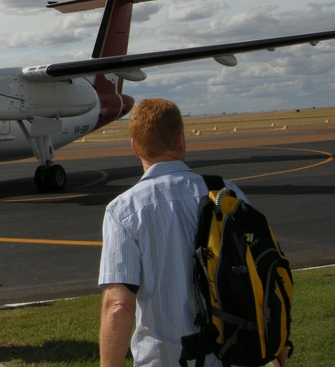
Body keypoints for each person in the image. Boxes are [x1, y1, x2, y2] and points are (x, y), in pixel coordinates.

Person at [97, 99, 276, 367]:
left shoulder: (124, 210)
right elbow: (266, 275)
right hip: (235, 357)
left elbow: (119, 306)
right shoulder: (229, 194)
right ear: (180, 139)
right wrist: (277, 348)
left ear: (135, 148)